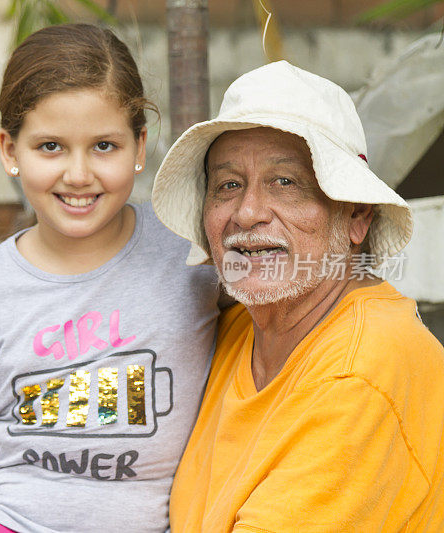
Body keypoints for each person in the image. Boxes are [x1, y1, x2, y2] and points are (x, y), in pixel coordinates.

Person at [0, 24, 221, 533]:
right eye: (50, 147)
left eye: (104, 145)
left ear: (140, 146)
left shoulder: (194, 254)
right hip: (3, 518)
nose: (79, 174)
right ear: (9, 151)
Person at [151, 60, 444, 531]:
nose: (247, 213)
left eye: (284, 183)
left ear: (356, 217)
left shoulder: (361, 369)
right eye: (228, 185)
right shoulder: (235, 328)